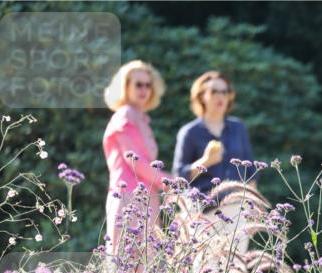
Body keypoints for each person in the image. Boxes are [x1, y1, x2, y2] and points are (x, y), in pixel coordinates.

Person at [102, 60, 166, 256]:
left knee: (148, 269)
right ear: (125, 86)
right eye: (138, 84)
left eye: (148, 85)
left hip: (148, 199)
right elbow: (135, 161)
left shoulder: (142, 119)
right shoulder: (125, 115)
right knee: (124, 264)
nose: (144, 89)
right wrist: (169, 181)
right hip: (128, 197)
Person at [173, 71, 255, 193]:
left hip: (237, 204)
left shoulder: (238, 128)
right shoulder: (189, 132)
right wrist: (206, 161)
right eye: (214, 91)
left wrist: (252, 206)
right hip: (204, 206)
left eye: (224, 92)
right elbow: (179, 177)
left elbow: (251, 172)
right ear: (201, 96)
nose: (220, 96)